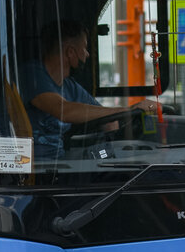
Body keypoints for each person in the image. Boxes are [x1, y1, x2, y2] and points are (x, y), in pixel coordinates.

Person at [21, 20, 131, 160]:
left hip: (58, 165)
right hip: (28, 170)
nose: (87, 55)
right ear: (71, 52)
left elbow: (105, 118)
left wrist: (114, 143)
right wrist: (125, 110)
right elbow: (63, 110)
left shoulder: (70, 87)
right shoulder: (31, 75)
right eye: (84, 48)